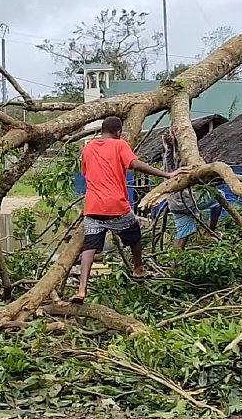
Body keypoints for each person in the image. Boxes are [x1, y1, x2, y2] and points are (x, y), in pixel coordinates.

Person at [71, 116, 188, 304]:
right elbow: (135, 164)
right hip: (116, 205)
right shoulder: (120, 145)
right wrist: (166, 174)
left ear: (102, 131)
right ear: (118, 132)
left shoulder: (88, 148)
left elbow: (86, 173)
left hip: (92, 207)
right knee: (134, 234)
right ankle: (138, 267)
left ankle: (82, 289)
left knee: (89, 248)